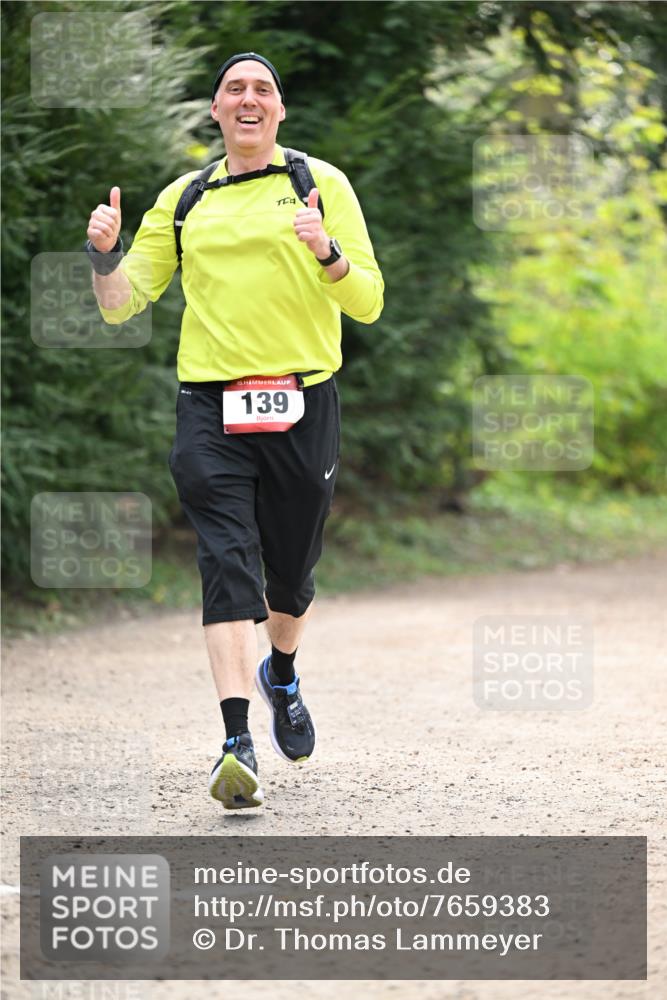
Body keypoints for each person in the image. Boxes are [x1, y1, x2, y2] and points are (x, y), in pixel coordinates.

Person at [85, 52, 384, 809]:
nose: (248, 99)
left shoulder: (321, 184)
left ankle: (280, 673)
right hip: (210, 407)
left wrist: (326, 252)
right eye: (234, 90)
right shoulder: (186, 199)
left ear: (279, 110)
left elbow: (370, 302)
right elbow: (121, 304)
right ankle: (235, 742)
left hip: (301, 403)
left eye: (262, 90)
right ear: (216, 110)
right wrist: (103, 256)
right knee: (225, 561)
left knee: (291, 575)